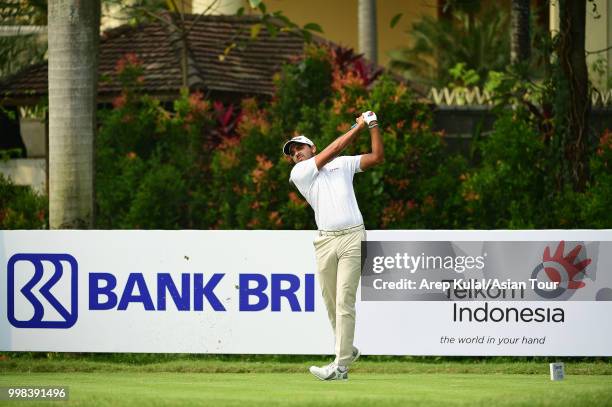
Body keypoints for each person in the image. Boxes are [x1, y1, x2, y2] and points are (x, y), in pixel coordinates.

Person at [282, 111, 384, 381]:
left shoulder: (344, 165)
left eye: (299, 148)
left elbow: (376, 158)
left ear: (311, 147)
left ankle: (340, 367)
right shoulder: (300, 172)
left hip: (353, 237)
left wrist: (373, 126)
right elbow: (336, 147)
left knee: (344, 302)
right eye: (292, 153)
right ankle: (347, 349)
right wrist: (359, 125)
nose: (296, 154)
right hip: (325, 241)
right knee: (331, 304)